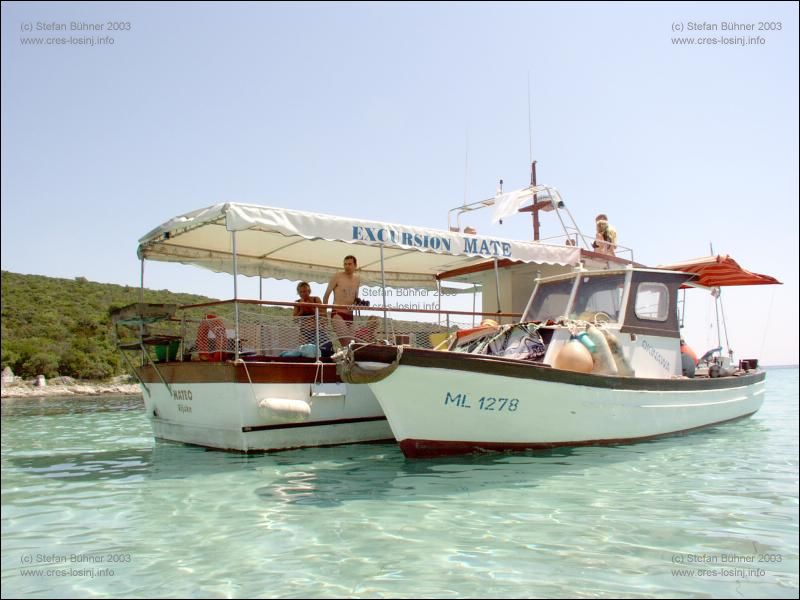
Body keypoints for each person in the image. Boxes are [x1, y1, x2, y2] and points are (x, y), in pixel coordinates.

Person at [323, 255, 361, 346]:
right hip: (338, 314)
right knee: (347, 342)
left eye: (349, 264)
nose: (347, 266)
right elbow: (326, 295)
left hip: (350, 316)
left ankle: (343, 359)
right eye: (345, 264)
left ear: (355, 265)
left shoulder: (357, 279)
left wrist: (359, 302)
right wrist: (324, 315)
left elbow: (355, 298)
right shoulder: (337, 276)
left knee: (350, 345)